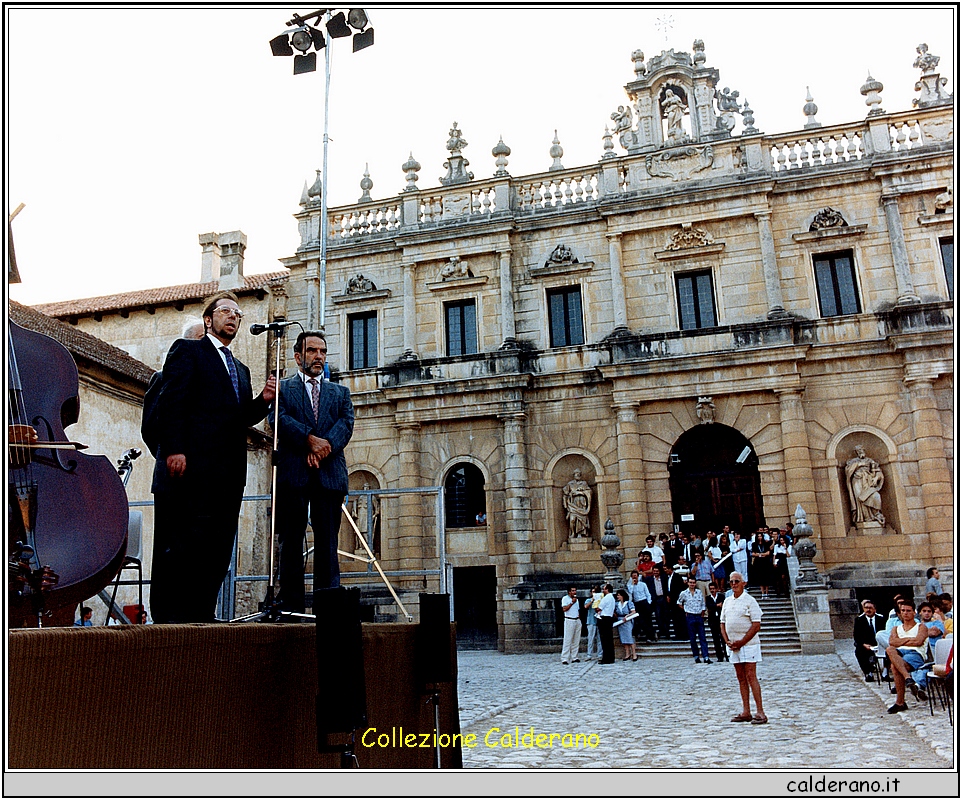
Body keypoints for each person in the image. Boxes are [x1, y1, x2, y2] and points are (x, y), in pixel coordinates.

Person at [149, 292, 275, 623]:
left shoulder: (241, 369)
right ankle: (171, 622)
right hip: (192, 471)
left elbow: (240, 417)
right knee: (182, 547)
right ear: (209, 320)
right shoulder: (189, 351)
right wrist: (175, 448)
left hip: (227, 474)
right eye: (226, 312)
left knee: (216, 550)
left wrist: (263, 399)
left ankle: (203, 614)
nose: (233, 317)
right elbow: (172, 401)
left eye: (238, 314)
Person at [275, 330, 355, 613]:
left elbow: (346, 424)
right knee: (291, 542)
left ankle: (328, 607)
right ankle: (291, 607)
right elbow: (280, 421)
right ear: (298, 357)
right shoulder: (284, 389)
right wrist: (308, 439)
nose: (318, 356)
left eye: (322, 351)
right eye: (312, 351)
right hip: (293, 475)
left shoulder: (340, 393)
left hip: (329, 475)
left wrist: (325, 447)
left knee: (327, 543)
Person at [721, 571, 766, 724]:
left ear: (743, 583)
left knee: (751, 676)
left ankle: (760, 711)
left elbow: (756, 625)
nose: (734, 584)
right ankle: (746, 710)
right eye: (731, 582)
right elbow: (722, 623)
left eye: (736, 581)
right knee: (740, 678)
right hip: (734, 645)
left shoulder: (750, 601)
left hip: (749, 644)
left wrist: (742, 641)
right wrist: (728, 641)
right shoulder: (727, 601)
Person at [885, 599, 930, 713]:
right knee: (889, 649)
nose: (905, 613)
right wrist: (910, 639)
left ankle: (900, 702)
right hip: (898, 653)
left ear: (914, 612)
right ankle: (908, 678)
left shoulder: (921, 627)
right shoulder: (896, 628)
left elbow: (918, 642)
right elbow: (892, 643)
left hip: (915, 654)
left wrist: (901, 640)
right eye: (903, 610)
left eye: (908, 611)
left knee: (895, 667)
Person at [679, 576, 711, 664]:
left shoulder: (699, 592)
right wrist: (685, 610)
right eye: (691, 582)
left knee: (702, 637)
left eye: (693, 583)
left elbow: (703, 604)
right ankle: (696, 656)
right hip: (690, 616)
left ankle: (706, 656)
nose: (692, 584)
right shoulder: (684, 593)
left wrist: (703, 613)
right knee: (692, 638)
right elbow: (679, 603)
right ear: (688, 583)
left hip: (699, 615)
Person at [853, 599, 882, 680]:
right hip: (866, 644)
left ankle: (885, 672)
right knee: (859, 651)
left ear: (875, 609)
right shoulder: (859, 620)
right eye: (866, 608)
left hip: (879, 643)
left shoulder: (881, 619)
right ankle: (868, 673)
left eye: (870, 608)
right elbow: (856, 635)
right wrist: (863, 644)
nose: (868, 610)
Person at [625, 570, 655, 643]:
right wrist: (632, 584)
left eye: (636, 576)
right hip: (636, 603)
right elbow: (630, 593)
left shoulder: (643, 584)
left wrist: (648, 602)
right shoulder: (630, 586)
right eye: (633, 576)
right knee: (639, 620)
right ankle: (639, 634)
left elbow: (647, 593)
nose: (634, 578)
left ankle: (650, 636)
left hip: (644, 602)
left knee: (648, 620)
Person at [562, 469, 592, 538]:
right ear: (574, 475)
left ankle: (581, 533)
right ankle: (573, 533)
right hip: (573, 504)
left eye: (579, 474)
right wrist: (566, 503)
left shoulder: (584, 483)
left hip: (582, 503)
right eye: (576, 473)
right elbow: (565, 493)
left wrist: (581, 492)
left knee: (582, 519)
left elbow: (589, 492)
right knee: (572, 520)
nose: (578, 475)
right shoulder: (570, 484)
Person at [705, 581, 728, 663]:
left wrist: (715, 606)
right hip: (713, 621)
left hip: (721, 620)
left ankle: (727, 655)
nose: (712, 590)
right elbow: (709, 606)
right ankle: (720, 657)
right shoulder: (708, 598)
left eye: (713, 589)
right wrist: (717, 605)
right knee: (716, 640)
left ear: (717, 589)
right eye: (711, 589)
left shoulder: (721, 596)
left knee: (723, 639)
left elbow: (724, 605)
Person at [560, 586, 582, 665]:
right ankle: (565, 658)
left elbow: (577, 609)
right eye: (572, 591)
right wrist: (572, 602)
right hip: (569, 619)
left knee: (576, 639)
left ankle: (574, 657)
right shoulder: (565, 599)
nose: (574, 592)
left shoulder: (577, 600)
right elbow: (564, 609)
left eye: (575, 590)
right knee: (568, 639)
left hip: (576, 619)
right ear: (569, 592)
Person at [614, 589, 637, 661]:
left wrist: (627, 616)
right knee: (623, 638)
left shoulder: (628, 603)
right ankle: (627, 654)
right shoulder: (617, 604)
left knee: (629, 637)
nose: (618, 597)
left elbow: (633, 611)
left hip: (627, 621)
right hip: (620, 621)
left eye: (619, 595)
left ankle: (634, 654)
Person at [597, 584, 616, 664]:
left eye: (604, 589)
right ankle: (611, 657)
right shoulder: (612, 598)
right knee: (609, 639)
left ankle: (606, 658)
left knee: (605, 639)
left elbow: (599, 608)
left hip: (604, 618)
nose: (603, 591)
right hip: (609, 618)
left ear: (607, 590)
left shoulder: (606, 598)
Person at [750, 532, 773, 598]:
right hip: (758, 562)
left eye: (761, 536)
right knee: (760, 577)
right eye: (758, 536)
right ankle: (763, 593)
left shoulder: (766, 543)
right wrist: (761, 554)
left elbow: (768, 553)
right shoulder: (754, 544)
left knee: (766, 577)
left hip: (765, 562)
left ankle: (767, 592)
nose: (760, 538)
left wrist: (760, 554)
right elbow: (753, 553)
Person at [584, 585, 603, 660]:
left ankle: (600, 654)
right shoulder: (588, 600)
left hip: (599, 621)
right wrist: (592, 600)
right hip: (591, 621)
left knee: (599, 639)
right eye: (592, 592)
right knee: (590, 638)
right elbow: (586, 607)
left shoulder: (601, 599)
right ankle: (589, 654)